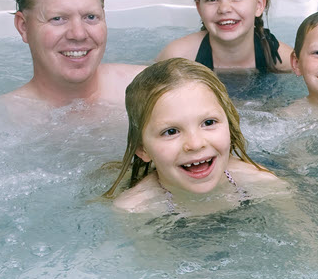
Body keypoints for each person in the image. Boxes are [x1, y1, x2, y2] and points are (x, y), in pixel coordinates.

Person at [104, 58, 287, 215]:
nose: (195, 144)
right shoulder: (135, 209)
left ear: (230, 127)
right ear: (142, 149)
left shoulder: (263, 184)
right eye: (171, 131)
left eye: (208, 123)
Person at [3, 0, 144, 107]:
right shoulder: (1, 117)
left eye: (90, 17)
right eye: (58, 19)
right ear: (23, 27)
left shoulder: (147, 91)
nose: (78, 34)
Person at [154, 0, 293, 73]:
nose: (224, 9)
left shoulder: (283, 59)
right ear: (199, 8)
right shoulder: (178, 57)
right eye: (212, 0)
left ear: (259, 4)